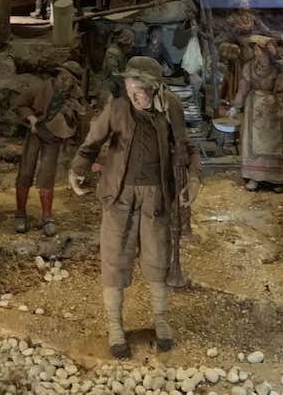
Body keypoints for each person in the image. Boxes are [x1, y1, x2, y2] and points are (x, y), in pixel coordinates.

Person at [69, 57, 200, 358]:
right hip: (120, 197)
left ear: (155, 88)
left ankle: (161, 320)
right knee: (114, 259)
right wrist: (77, 169)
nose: (134, 97)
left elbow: (186, 146)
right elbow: (91, 144)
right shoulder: (117, 109)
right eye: (129, 90)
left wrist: (193, 177)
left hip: (156, 197)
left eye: (139, 91)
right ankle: (115, 326)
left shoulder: (171, 109)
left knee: (158, 257)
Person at [13, 62, 86, 236]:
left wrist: (77, 115)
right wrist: (31, 118)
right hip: (36, 132)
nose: (66, 82)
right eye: (63, 78)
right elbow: (20, 104)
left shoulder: (76, 96)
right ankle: (20, 213)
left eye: (70, 80)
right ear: (58, 75)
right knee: (25, 172)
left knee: (47, 176)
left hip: (54, 138)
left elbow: (83, 118)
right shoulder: (40, 88)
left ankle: (47, 217)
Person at [228, 36, 283, 192]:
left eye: (259, 50)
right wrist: (236, 106)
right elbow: (243, 87)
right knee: (255, 143)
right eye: (255, 50)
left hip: (275, 109)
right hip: (255, 109)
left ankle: (279, 179)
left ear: (267, 52)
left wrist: (278, 57)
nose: (256, 53)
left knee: (276, 145)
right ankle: (255, 177)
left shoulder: (279, 67)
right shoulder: (249, 67)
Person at [99, 28, 136, 101]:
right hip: (109, 88)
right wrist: (127, 85)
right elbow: (114, 74)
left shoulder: (121, 53)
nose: (132, 45)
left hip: (117, 87)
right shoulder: (113, 53)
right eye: (131, 42)